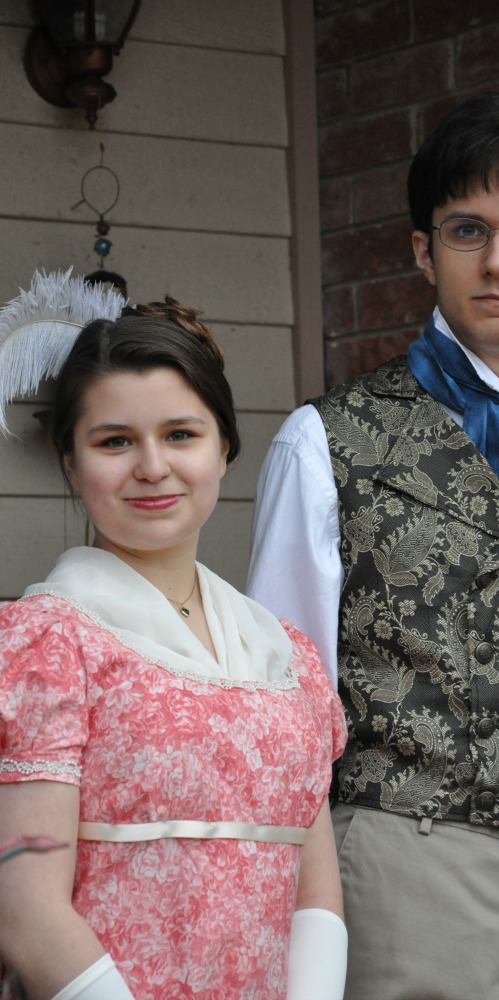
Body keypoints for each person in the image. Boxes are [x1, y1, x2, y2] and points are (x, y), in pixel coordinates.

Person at [246, 91, 499, 1000]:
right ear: (423, 250)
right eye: (469, 230)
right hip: (399, 877)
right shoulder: (322, 443)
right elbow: (281, 716)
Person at [0, 273, 348, 1000]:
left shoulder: (285, 656)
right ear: (71, 464)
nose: (152, 467)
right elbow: (25, 910)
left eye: (180, 435)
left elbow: (314, 889)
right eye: (115, 441)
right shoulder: (47, 644)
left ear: (224, 449)